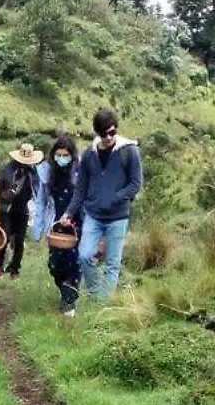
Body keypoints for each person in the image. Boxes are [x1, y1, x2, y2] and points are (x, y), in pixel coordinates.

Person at [59, 109, 142, 301]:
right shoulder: (89, 155)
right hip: (93, 215)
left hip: (118, 217)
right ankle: (96, 295)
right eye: (104, 134)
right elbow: (81, 188)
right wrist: (69, 212)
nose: (109, 137)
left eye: (112, 132)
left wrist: (116, 197)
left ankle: (103, 303)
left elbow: (135, 183)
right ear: (97, 133)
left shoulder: (129, 151)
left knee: (112, 264)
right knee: (85, 255)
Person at [32, 134, 82, 316]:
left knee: (74, 261)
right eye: (58, 154)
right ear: (53, 155)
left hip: (77, 221)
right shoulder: (46, 173)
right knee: (55, 264)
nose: (62, 159)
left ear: (72, 155)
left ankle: (69, 301)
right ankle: (65, 291)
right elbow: (40, 201)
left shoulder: (80, 171)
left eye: (65, 155)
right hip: (56, 221)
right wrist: (37, 229)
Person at [0, 143, 42, 280]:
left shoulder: (33, 172)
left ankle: (15, 268)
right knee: (4, 237)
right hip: (7, 209)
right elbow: (0, 188)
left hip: (22, 209)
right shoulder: (8, 170)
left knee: (19, 241)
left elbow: (36, 190)